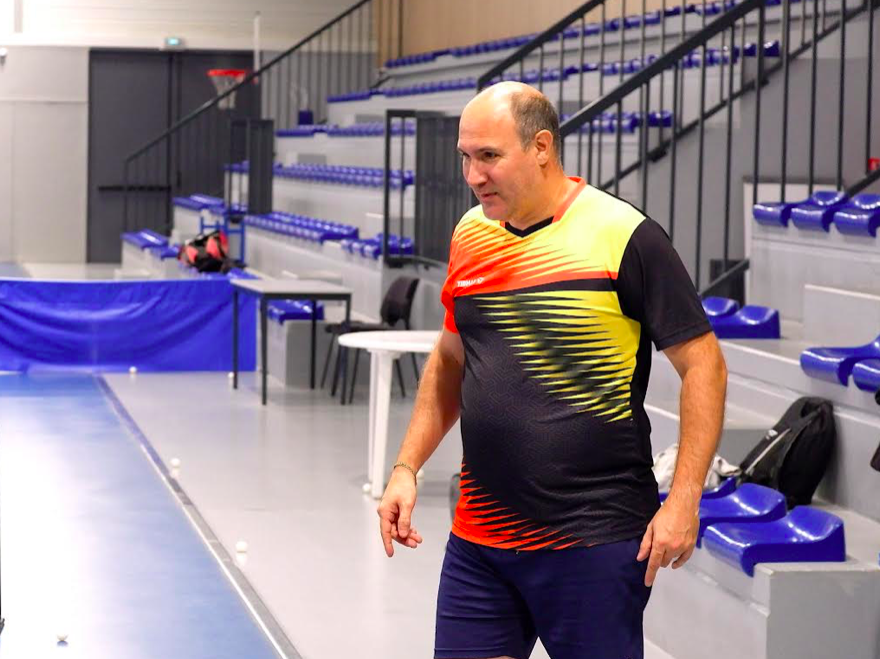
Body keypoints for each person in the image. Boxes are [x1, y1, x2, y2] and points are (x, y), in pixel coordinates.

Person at [377, 81, 728, 659]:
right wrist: (406, 467)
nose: (473, 175)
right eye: (466, 157)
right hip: (480, 537)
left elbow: (704, 365)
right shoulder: (471, 233)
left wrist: (684, 500)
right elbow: (451, 358)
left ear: (541, 147)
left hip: (593, 539)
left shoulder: (623, 236)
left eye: (489, 156)